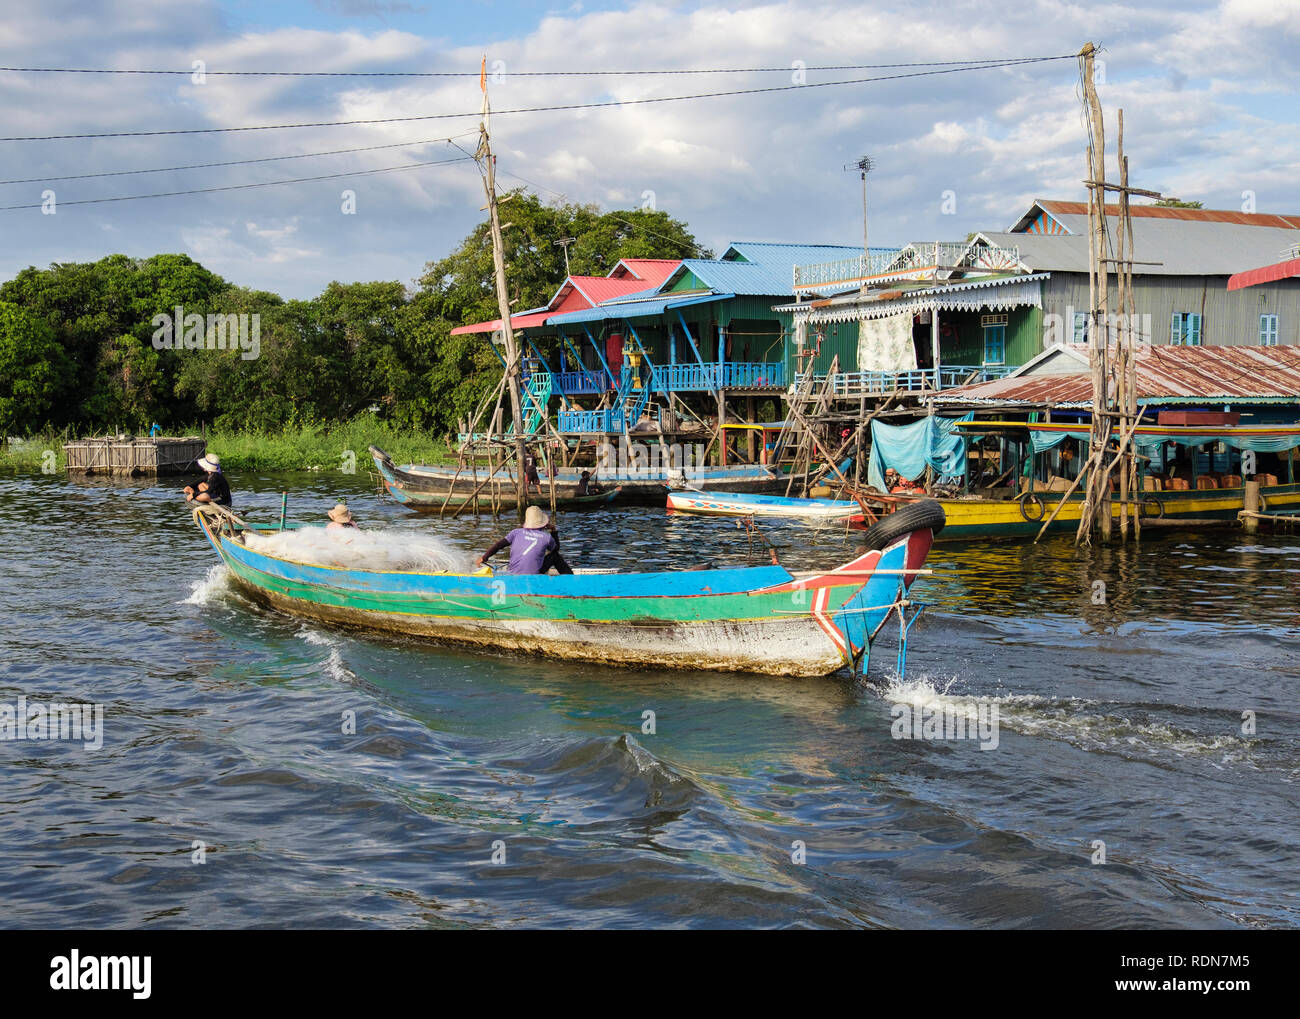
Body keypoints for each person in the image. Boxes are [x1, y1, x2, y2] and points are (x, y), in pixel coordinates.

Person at [477, 505, 572, 575]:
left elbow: (498, 545)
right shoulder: (546, 537)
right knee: (555, 556)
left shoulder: (516, 532)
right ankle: (571, 580)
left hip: (513, 573)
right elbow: (556, 549)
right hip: (534, 574)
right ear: (543, 523)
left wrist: (484, 558)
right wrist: (554, 531)